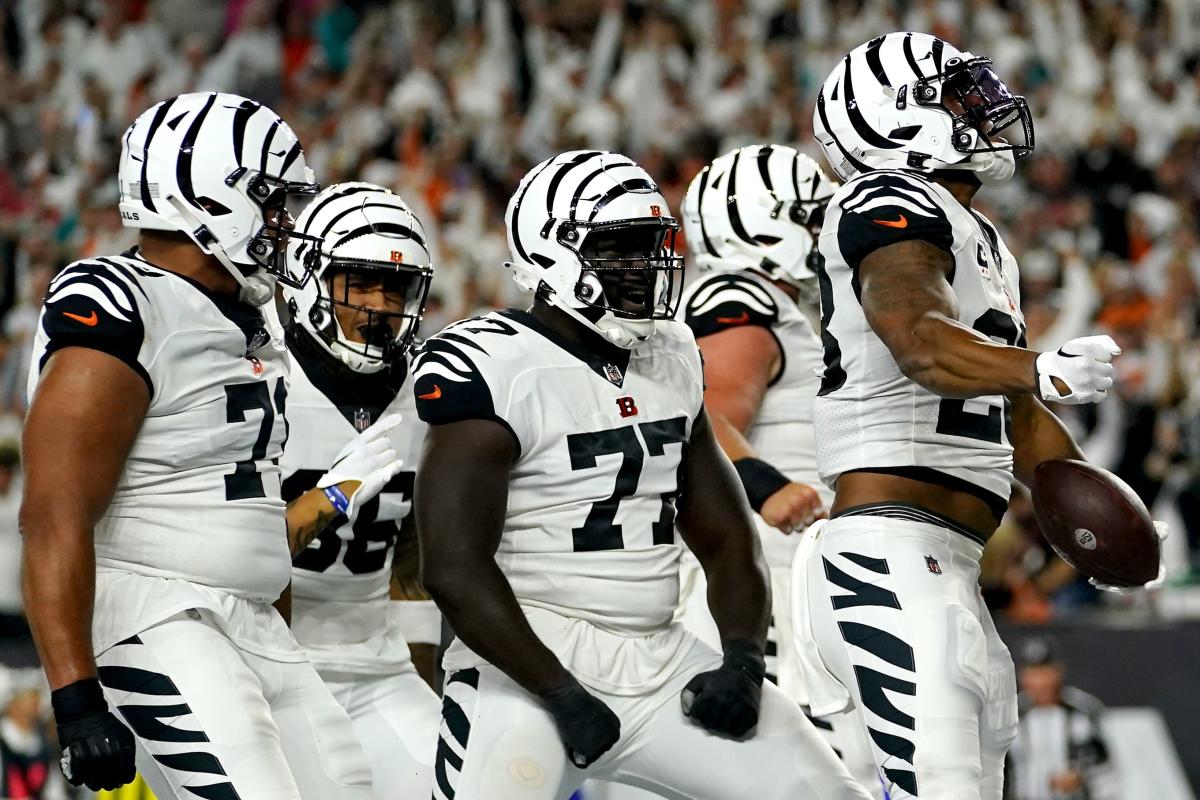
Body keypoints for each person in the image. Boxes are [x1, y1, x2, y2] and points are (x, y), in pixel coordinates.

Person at [412, 150, 870, 800]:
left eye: (652, 246)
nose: (646, 267)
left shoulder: (671, 354)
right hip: (523, 659)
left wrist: (741, 661)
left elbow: (726, 536)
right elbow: (453, 566)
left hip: (659, 655)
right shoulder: (491, 364)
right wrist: (561, 693)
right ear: (554, 253)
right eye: (621, 249)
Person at [790, 32, 1163, 800]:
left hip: (950, 558)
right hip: (888, 547)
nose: (984, 106)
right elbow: (919, 342)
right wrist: (1042, 367)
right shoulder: (886, 198)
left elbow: (1019, 423)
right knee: (943, 787)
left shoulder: (982, 237)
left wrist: (1103, 517)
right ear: (897, 118)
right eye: (956, 94)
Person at [21, 91, 373, 799]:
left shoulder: (247, 317)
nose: (286, 222)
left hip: (246, 621)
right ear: (211, 198)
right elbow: (53, 512)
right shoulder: (124, 302)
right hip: (157, 616)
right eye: (272, 202)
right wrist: (76, 697)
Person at [675, 144, 878, 794]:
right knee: (810, 774)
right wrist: (766, 487)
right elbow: (694, 410)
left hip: (780, 575)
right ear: (763, 222)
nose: (823, 235)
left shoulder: (781, 307)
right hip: (760, 581)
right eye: (810, 218)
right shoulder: (740, 295)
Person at [279, 181, 442, 797]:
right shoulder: (261, 377)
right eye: (360, 282)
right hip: (267, 665)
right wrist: (331, 497)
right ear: (309, 278)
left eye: (395, 286)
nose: (380, 303)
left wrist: (421, 668)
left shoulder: (426, 389)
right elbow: (228, 559)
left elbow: (411, 559)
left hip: (377, 667)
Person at [1006, 637, 1113, 800]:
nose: (1040, 682)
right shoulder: (1008, 715)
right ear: (1021, 676)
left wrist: (1080, 776)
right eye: (1032, 673)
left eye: (1045, 672)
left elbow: (1107, 765)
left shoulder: (1084, 711)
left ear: (1059, 671)